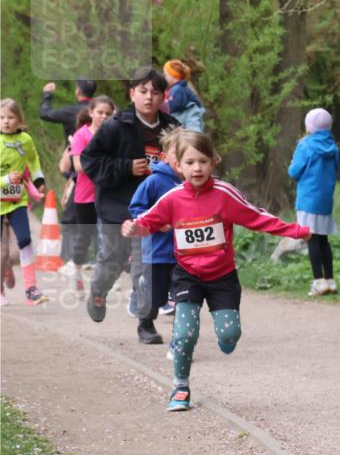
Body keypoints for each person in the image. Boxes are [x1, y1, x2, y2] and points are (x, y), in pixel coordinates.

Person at [122, 131, 312, 411]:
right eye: (189, 162)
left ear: (213, 162)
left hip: (222, 277)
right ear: (179, 166)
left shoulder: (224, 194)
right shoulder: (172, 198)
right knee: (185, 334)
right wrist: (135, 227)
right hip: (187, 275)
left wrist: (295, 230)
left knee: (229, 336)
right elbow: (148, 221)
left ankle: (226, 340)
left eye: (202, 161)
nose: (196, 168)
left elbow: (256, 217)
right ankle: (180, 387)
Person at [80, 66, 179, 327]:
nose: (149, 97)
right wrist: (125, 167)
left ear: (163, 97)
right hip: (117, 207)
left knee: (146, 264)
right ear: (132, 93)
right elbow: (90, 160)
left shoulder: (172, 128)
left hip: (152, 211)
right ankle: (99, 291)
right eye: (143, 91)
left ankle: (146, 323)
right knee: (111, 260)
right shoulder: (116, 125)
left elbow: (184, 162)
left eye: (155, 92)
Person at [128, 127, 187, 345]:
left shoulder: (193, 182)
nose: (183, 156)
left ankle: (182, 332)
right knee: (157, 296)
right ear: (164, 156)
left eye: (186, 152)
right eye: (177, 152)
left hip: (185, 252)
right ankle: (145, 324)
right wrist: (154, 223)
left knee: (185, 293)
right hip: (158, 251)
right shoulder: (153, 182)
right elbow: (136, 208)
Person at [41, 80, 96, 267]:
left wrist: (47, 95)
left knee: (72, 215)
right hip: (98, 170)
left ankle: (71, 258)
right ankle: (89, 257)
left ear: (77, 91)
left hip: (78, 170)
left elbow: (45, 113)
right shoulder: (104, 113)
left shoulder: (70, 112)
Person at [0, 99, 48, 306]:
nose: (6, 121)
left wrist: (39, 180)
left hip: (17, 200)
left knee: (25, 239)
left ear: (19, 120)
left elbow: (34, 159)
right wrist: (5, 180)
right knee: (2, 251)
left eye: (10, 117)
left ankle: (31, 288)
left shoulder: (25, 139)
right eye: (1, 118)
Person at [289, 108, 340, 296]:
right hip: (325, 199)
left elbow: (294, 172)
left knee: (311, 238)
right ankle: (330, 280)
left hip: (308, 199)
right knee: (323, 239)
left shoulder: (305, 145)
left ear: (309, 126)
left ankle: (318, 282)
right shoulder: (333, 147)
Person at [69, 95, 117, 296]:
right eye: (100, 112)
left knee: (107, 237)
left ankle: (104, 279)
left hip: (108, 193)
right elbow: (78, 166)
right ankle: (77, 272)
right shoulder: (81, 135)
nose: (104, 116)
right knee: (85, 237)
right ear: (91, 113)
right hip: (85, 195)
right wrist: (105, 165)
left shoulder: (115, 134)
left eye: (108, 113)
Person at [162, 60, 206, 131]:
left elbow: (175, 105)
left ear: (173, 75)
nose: (164, 77)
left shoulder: (177, 89)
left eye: (165, 75)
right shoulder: (175, 88)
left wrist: (163, 105)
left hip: (190, 117)